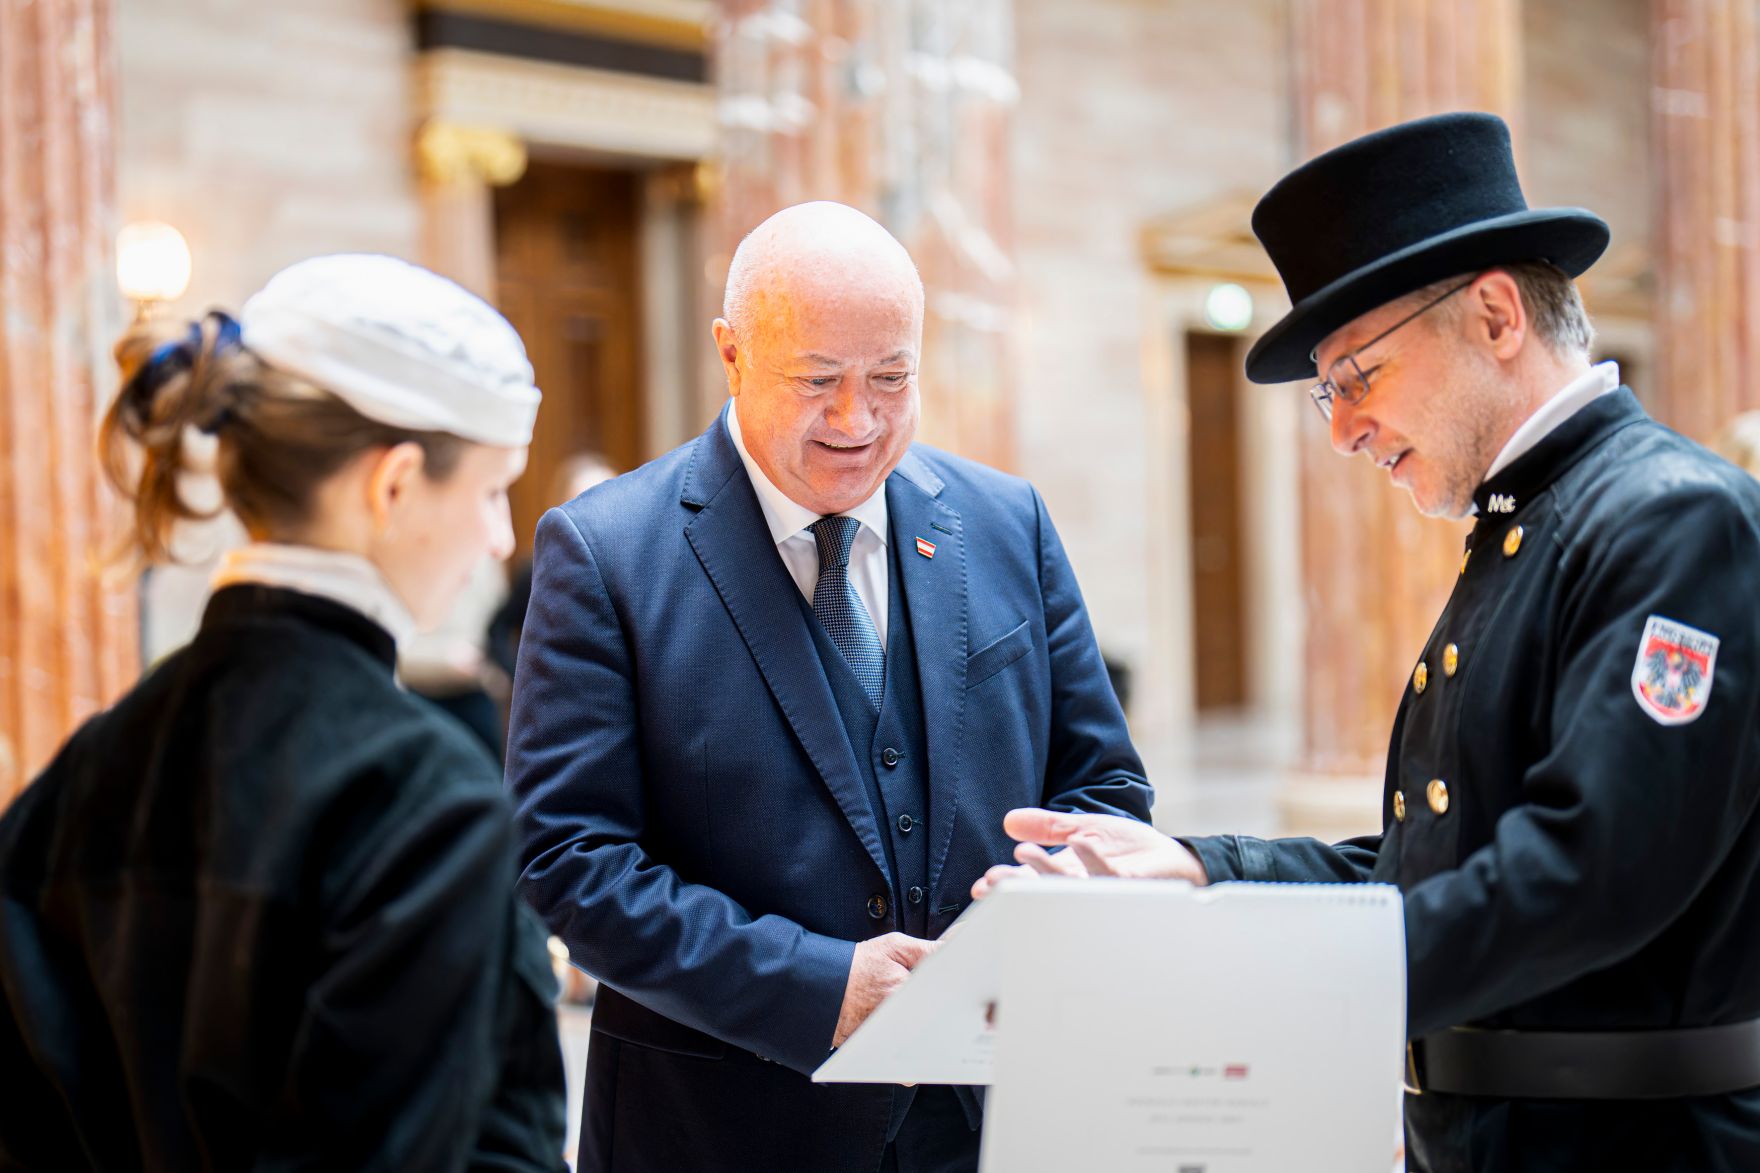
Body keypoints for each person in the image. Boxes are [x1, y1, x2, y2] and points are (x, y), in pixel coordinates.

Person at [977, 113, 1760, 1173]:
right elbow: (1430, 862)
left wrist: (1254, 985)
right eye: (1328, 394)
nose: (1343, 431)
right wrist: (1200, 870)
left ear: (1493, 316)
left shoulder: (1670, 518)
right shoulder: (1530, 524)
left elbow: (1587, 873)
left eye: (1357, 376)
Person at [505, 201, 1153, 1173]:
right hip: (723, 1131)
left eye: (891, 377)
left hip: (991, 1123)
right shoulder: (605, 553)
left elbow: (1104, 789)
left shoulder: (1006, 521)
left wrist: (1043, 909)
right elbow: (569, 860)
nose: (857, 420)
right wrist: (816, 986)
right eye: (817, 381)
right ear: (731, 354)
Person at [0, 255, 568, 1171]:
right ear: (393, 485)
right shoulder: (422, 798)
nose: (501, 536)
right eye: (492, 489)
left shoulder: (87, 769)